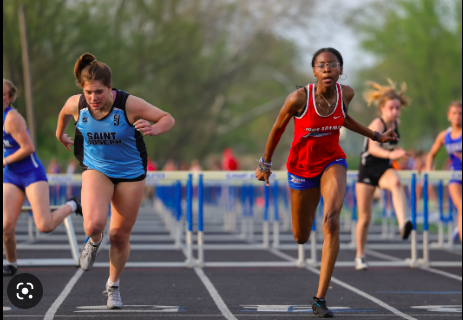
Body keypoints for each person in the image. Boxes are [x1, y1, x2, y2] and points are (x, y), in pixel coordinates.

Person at [255, 48, 399, 318]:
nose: (327, 69)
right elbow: (277, 128)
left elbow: (343, 118)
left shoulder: (346, 94)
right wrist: (265, 163)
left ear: (341, 70)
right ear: (314, 71)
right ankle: (306, 234)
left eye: (333, 65)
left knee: (332, 220)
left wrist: (376, 136)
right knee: (301, 236)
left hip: (333, 161)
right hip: (302, 167)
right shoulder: (298, 98)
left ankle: (320, 299)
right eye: (321, 65)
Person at [55, 53, 175, 309]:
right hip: (96, 168)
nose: (93, 98)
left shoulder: (129, 105)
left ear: (110, 88)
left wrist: (155, 128)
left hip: (130, 173)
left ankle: (113, 285)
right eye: (89, 92)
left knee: (120, 235)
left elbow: (167, 117)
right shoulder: (78, 104)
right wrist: (59, 134)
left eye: (99, 92)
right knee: (94, 225)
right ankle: (94, 241)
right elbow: (64, 112)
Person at [3, 79, 82, 276]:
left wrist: (5, 161)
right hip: (11, 176)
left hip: (31, 174)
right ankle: (12, 263)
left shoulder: (12, 118)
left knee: (44, 226)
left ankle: (72, 205)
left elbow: (28, 147)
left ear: (9, 98)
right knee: (5, 227)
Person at [355, 80, 413, 271]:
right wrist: (392, 154)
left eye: (397, 108)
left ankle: (403, 222)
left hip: (384, 169)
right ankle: (360, 256)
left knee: (396, 183)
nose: (395, 111)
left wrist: (399, 155)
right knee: (365, 218)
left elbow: (392, 150)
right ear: (382, 108)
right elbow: (373, 147)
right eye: (391, 108)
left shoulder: (397, 123)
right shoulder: (377, 123)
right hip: (367, 169)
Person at [426, 101, 462, 243]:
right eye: (454, 113)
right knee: (461, 206)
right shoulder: (444, 135)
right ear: (449, 115)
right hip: (455, 176)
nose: (457, 117)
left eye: (460, 114)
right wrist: (428, 171)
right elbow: (431, 154)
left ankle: (458, 227)